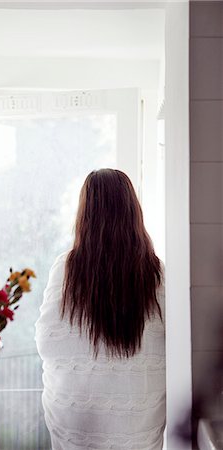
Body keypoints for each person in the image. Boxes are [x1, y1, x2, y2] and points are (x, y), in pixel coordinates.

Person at [35, 169, 165, 450]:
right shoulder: (156, 271)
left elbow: (47, 342)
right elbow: (171, 346)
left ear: (85, 214)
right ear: (133, 210)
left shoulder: (67, 268)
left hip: (79, 424)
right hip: (138, 425)